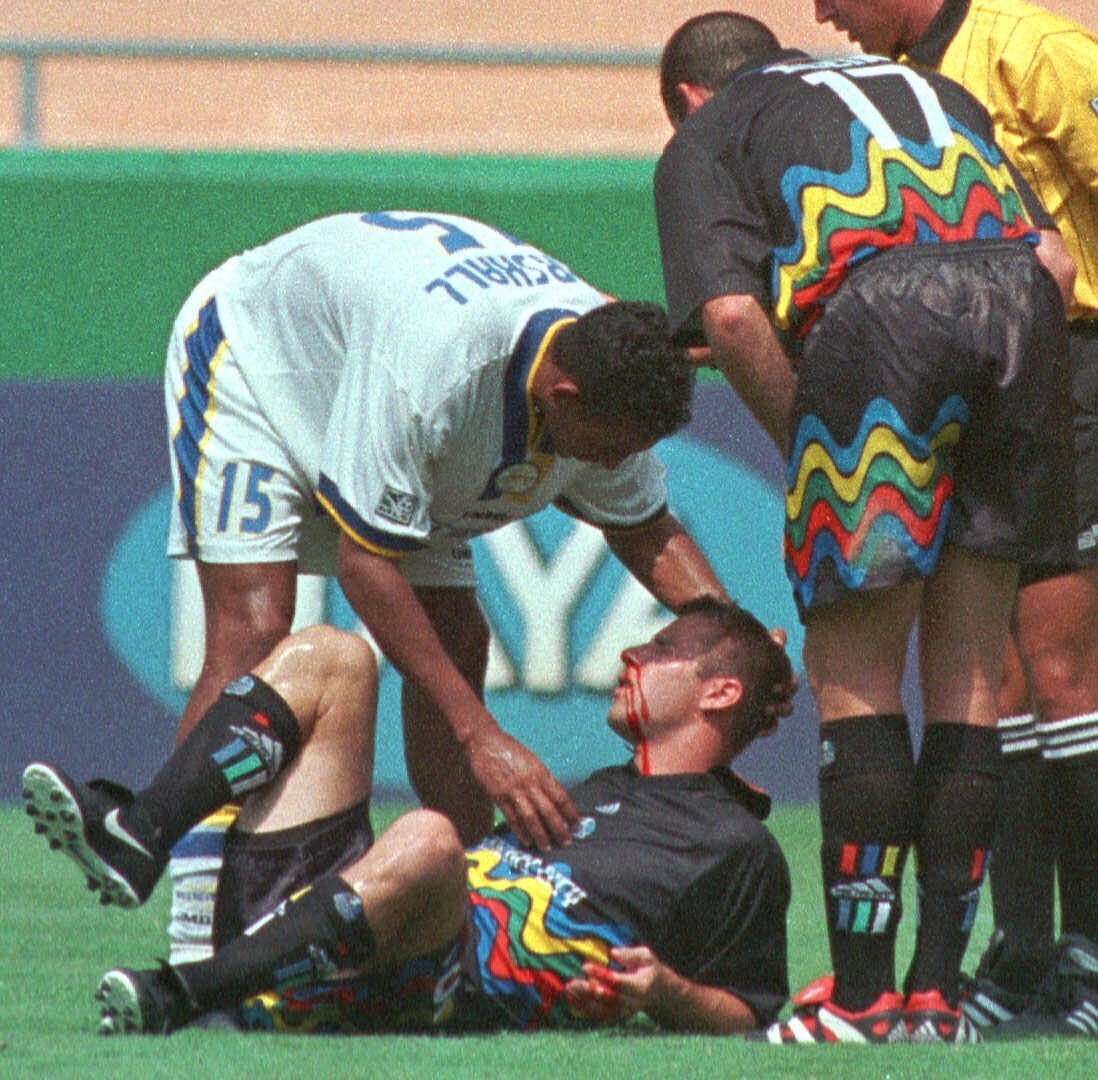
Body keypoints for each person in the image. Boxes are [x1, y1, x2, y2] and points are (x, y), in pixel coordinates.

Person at [653, 11, 1078, 1043]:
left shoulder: (708, 134)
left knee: (858, 678)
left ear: (689, 98)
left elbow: (732, 319)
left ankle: (858, 997)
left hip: (882, 326)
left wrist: (811, 444)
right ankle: (938, 996)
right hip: (1022, 317)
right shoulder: (933, 87)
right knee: (971, 674)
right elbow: (1057, 260)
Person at [157, 209, 737, 962]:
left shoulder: (609, 366)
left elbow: (643, 526)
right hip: (265, 360)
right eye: (609, 448)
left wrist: (736, 645)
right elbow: (367, 567)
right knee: (253, 631)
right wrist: (481, 736)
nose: (612, 464)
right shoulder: (437, 373)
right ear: (562, 398)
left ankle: (467, 922)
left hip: (388, 371)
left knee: (458, 638)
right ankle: (194, 930)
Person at [21, 598, 793, 1036]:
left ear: (719, 692)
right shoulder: (600, 786)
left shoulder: (736, 846)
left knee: (430, 836)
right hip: (338, 937)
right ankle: (139, 835)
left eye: (660, 649)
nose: (630, 655)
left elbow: (749, 1011)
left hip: (438, 986)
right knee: (333, 655)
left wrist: (665, 991)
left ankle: (186, 993)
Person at [806, 0, 1098, 1040]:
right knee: (996, 678)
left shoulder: (1032, 49)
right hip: (968, 373)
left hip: (1071, 364)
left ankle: (1090, 954)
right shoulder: (894, 84)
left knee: (1063, 674)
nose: (821, 11)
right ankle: (1022, 953)